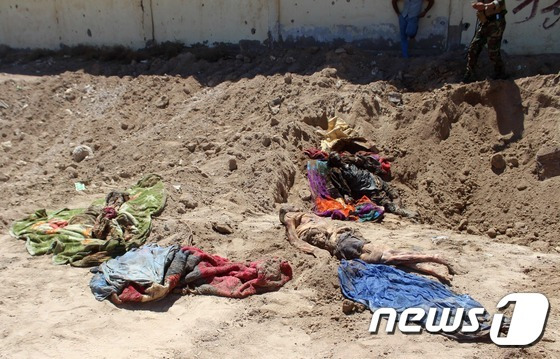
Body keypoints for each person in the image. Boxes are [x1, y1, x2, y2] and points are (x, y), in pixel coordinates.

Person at [280, 206, 454, 282]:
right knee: (389, 254)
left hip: (341, 244)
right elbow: (296, 237)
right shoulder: (307, 217)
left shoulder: (300, 219)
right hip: (346, 235)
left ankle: (433, 257)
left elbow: (295, 241)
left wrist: (316, 252)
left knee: (385, 257)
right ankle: (431, 269)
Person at [463, 1, 507, 82]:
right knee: (474, 47)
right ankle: (470, 73)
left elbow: (499, 2)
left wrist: (485, 6)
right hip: (484, 23)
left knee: (493, 50)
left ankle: (500, 73)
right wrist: (476, 5)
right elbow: (474, 3)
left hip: (496, 23)